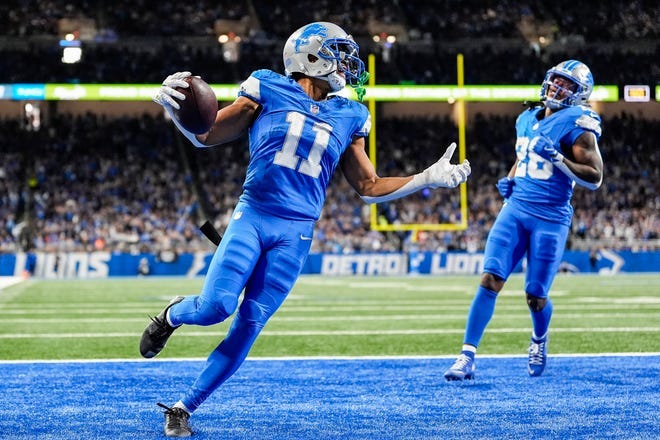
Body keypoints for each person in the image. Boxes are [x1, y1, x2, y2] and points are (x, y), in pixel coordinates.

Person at [143, 21, 471, 437]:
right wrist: (177, 111)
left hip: (296, 233)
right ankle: (173, 313)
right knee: (215, 308)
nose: (348, 63)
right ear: (310, 55)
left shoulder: (351, 113)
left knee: (249, 324)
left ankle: (183, 407)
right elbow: (206, 134)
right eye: (339, 51)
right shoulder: (266, 87)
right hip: (255, 215)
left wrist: (425, 177)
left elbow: (368, 188)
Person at [443, 60, 603, 381]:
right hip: (515, 209)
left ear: (579, 93)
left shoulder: (578, 125)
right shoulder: (526, 118)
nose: (557, 88)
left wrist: (558, 158)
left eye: (567, 85)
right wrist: (510, 179)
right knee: (490, 278)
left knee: (535, 295)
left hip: (550, 217)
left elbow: (595, 176)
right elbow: (522, 157)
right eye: (556, 81)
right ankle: (466, 356)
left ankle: (539, 339)